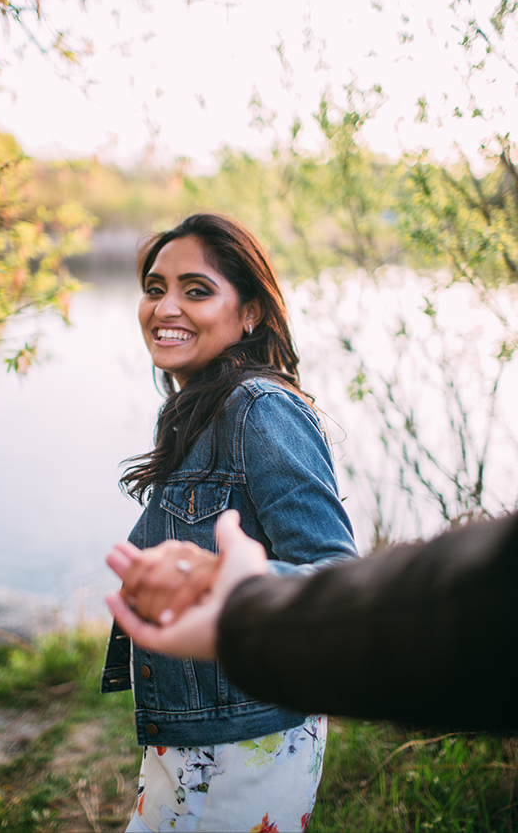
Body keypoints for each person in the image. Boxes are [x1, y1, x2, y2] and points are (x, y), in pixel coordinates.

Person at [99, 213, 358, 833]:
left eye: (197, 289)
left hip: (247, 743)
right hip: (201, 735)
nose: (166, 307)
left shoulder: (260, 409)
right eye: (156, 287)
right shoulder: (199, 409)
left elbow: (334, 571)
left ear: (249, 314)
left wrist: (226, 579)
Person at [107, 509, 518, 733]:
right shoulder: (184, 415)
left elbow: (330, 563)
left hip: (243, 739)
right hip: (183, 736)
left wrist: (246, 604)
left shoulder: (264, 408)